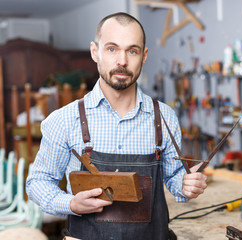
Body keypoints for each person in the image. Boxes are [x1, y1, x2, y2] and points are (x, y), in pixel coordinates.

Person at [26, 12, 208, 240]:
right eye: (112, 49)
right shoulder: (64, 119)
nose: (122, 61)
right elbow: (38, 182)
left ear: (144, 56)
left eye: (132, 50)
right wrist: (71, 203)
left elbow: (173, 179)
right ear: (95, 52)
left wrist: (187, 185)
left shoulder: (164, 118)